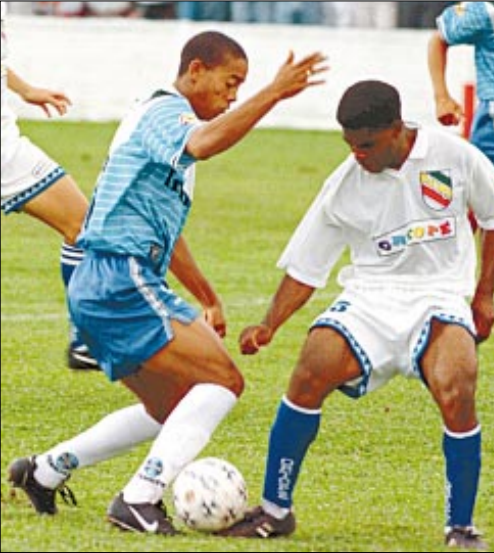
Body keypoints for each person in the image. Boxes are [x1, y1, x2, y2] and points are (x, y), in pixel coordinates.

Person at [7, 30, 327, 535]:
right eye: (230, 82)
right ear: (196, 70)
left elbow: (167, 235)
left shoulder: (162, 135)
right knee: (224, 381)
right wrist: (273, 93)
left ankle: (44, 470)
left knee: (172, 405)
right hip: (120, 278)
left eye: (241, 88)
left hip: (102, 282)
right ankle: (139, 499)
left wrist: (207, 296)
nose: (233, 96)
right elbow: (204, 142)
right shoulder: (166, 113)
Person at [218, 80, 494, 550]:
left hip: (439, 295)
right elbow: (307, 267)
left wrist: (484, 296)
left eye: (366, 144)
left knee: (458, 382)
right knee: (311, 368)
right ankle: (275, 510)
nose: (356, 154)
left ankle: (461, 527)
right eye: (349, 144)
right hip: (371, 295)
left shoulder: (454, 157)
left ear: (397, 128)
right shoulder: (344, 185)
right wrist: (269, 324)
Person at [1, 2, 100, 370]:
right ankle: (85, 339)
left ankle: (85, 340)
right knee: (84, 227)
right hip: (5, 153)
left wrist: (25, 90)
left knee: (84, 227)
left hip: (9, 148)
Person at [427, 1, 494, 335]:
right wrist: (441, 96)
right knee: (466, 215)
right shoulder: (490, 10)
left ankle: (433, 295)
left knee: (465, 218)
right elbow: (439, 38)